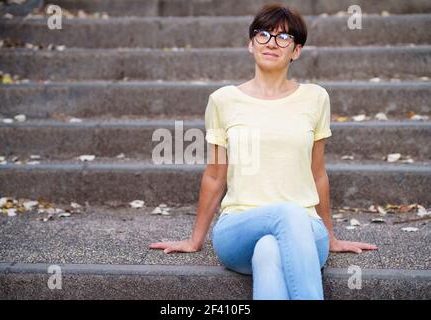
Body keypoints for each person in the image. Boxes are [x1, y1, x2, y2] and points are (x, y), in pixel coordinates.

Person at [149, 3, 377, 300]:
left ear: (296, 51)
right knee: (286, 213)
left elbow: (317, 172)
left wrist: (330, 237)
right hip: (239, 229)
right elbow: (216, 175)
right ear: (250, 44)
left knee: (269, 250)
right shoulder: (223, 100)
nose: (271, 42)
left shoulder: (316, 98)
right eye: (263, 34)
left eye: (283, 37)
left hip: (307, 232)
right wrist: (195, 240)